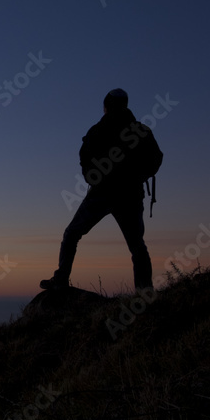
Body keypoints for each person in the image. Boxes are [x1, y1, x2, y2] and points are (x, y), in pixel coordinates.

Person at [41, 88, 162, 292]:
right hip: (130, 195)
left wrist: (95, 178)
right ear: (126, 105)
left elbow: (84, 159)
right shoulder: (140, 130)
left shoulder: (97, 130)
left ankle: (61, 279)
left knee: (72, 234)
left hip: (102, 194)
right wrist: (137, 178)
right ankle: (145, 291)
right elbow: (156, 159)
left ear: (106, 106)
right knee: (137, 245)